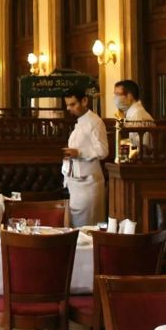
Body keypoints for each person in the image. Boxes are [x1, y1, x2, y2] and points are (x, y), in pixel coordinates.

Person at [63, 88, 108, 227]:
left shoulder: (95, 122)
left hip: (89, 183)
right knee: (75, 227)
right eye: (67, 105)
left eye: (72, 104)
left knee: (88, 227)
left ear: (84, 101)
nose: (69, 108)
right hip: (75, 183)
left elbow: (103, 150)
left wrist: (79, 153)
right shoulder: (80, 122)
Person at [113, 79, 155, 154]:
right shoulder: (133, 112)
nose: (115, 98)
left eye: (117, 94)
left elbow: (142, 145)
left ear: (129, 96)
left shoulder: (137, 114)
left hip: (141, 158)